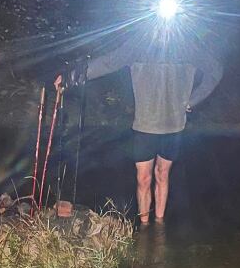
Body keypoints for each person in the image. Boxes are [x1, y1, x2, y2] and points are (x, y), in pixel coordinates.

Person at [70, 40, 222, 225]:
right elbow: (108, 62)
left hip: (173, 126)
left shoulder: (188, 46)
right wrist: (72, 76)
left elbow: (215, 70)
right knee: (143, 178)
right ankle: (144, 225)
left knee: (162, 174)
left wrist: (193, 100)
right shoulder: (139, 46)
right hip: (145, 125)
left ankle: (159, 225)